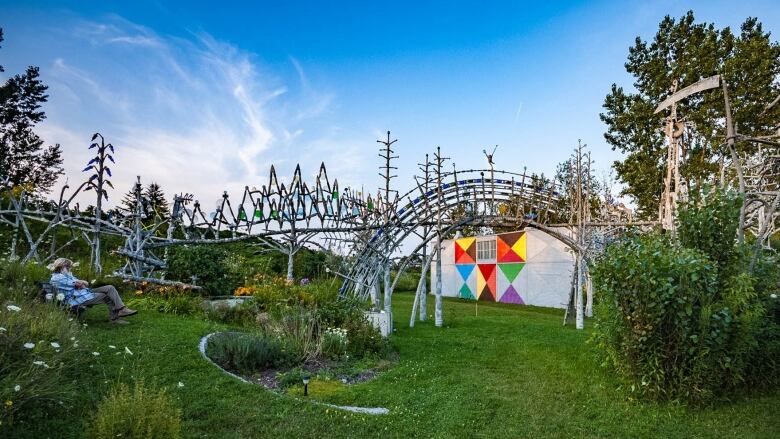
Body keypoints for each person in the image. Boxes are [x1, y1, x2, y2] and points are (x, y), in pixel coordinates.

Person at [49, 258, 137, 325]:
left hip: (84, 293)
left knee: (110, 288)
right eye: (67, 267)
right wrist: (80, 283)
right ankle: (115, 318)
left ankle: (122, 309)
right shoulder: (57, 277)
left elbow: (85, 283)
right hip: (77, 298)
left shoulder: (67, 275)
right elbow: (79, 284)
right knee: (107, 296)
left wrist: (81, 283)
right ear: (60, 267)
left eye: (69, 267)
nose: (69, 269)